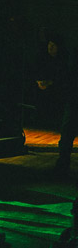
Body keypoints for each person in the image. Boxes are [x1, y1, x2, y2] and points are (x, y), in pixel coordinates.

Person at [34, 29, 77, 177]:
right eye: (49, 45)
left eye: (53, 45)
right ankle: (62, 164)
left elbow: (68, 80)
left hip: (73, 99)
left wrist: (50, 83)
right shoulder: (60, 60)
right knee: (66, 133)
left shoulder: (67, 61)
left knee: (67, 132)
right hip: (71, 99)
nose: (50, 48)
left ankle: (62, 165)